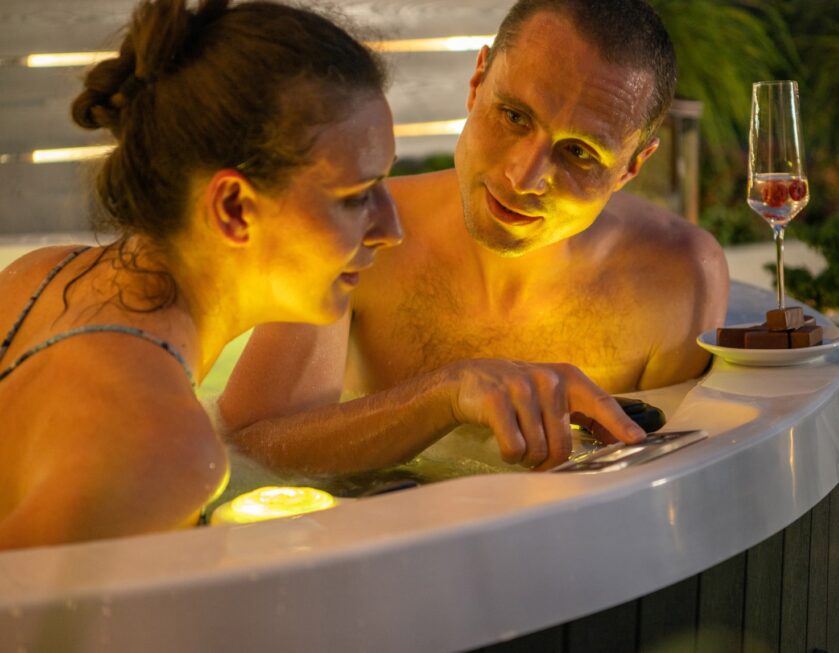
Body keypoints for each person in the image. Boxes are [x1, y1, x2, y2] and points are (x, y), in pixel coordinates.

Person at [0, 0, 644, 550]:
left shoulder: (36, 280)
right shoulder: (165, 452)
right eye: (355, 195)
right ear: (232, 208)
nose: (391, 227)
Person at [220, 0, 729, 453]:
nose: (523, 176)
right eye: (513, 116)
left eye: (578, 152)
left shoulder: (679, 281)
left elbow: (663, 488)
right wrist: (446, 395)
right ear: (477, 80)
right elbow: (253, 446)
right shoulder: (354, 232)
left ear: (630, 168)